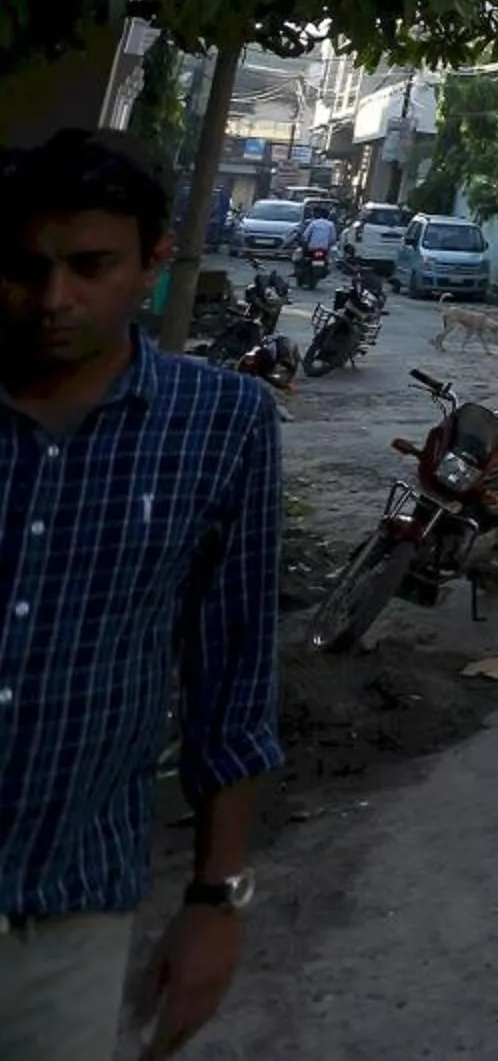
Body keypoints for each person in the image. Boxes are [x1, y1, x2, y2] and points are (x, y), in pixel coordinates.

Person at [1, 131, 282, 1060]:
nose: (54, 300)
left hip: (67, 913)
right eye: (25, 268)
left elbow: (233, 673)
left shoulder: (222, 423)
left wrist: (217, 897)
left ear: (155, 261)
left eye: (91, 267)